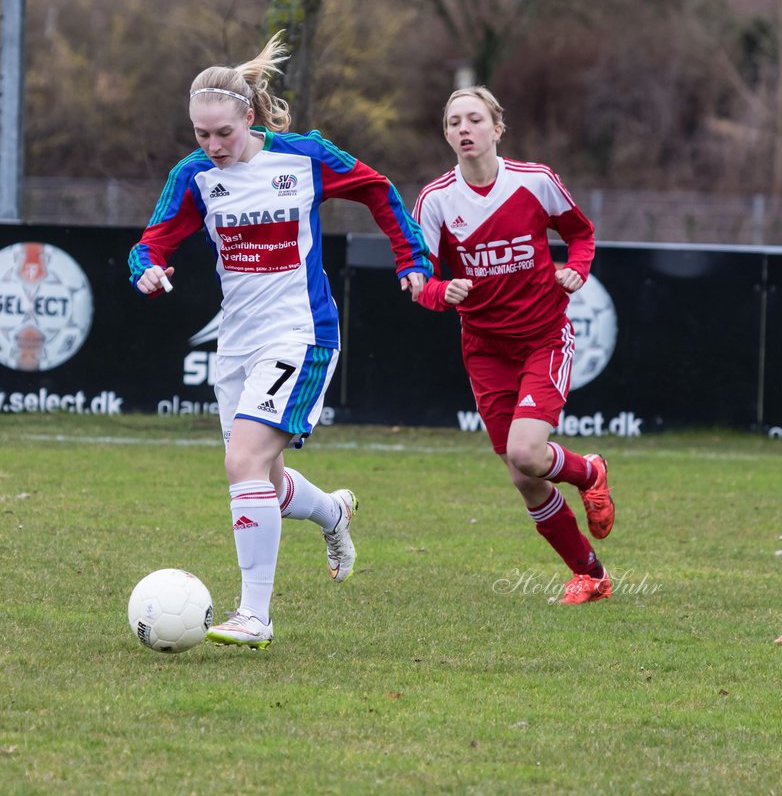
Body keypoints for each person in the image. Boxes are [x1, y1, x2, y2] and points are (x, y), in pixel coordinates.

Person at [129, 32, 432, 648]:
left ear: (249, 116)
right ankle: (333, 512)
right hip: (237, 343)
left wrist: (411, 258)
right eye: (200, 135)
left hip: (301, 333)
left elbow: (378, 188)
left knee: (241, 461)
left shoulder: (303, 157)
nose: (212, 147)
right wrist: (147, 270)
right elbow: (150, 242)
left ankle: (255, 616)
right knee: (261, 478)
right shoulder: (193, 176)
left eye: (223, 134)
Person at [413, 85, 616, 605]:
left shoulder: (535, 181)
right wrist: (442, 290)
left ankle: (589, 471)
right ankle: (590, 574)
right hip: (484, 348)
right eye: (454, 121)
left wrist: (576, 269)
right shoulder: (436, 200)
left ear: (497, 129)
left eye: (475, 119)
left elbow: (582, 233)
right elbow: (416, 277)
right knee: (522, 475)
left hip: (544, 338)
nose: (464, 129)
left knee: (527, 453)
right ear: (446, 134)